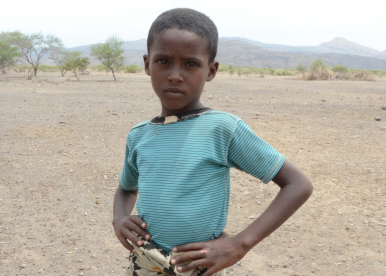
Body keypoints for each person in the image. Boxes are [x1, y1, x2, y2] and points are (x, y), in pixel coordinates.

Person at [112, 8, 313, 276]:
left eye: (191, 64)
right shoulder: (139, 135)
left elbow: (298, 184)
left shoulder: (222, 129)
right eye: (163, 61)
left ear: (211, 70)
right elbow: (126, 188)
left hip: (199, 266)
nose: (175, 75)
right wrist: (119, 218)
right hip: (145, 263)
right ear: (147, 64)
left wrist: (240, 244)